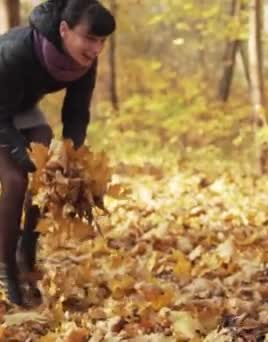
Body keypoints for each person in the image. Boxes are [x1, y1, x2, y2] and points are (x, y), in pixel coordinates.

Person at [0, 0, 115, 306]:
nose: (96, 49)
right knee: (15, 179)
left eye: (102, 41)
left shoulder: (85, 61)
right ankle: (6, 270)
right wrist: (19, 154)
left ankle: (26, 253)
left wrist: (70, 156)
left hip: (20, 106)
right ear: (64, 30)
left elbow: (76, 113)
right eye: (90, 39)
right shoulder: (17, 51)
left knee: (45, 173)